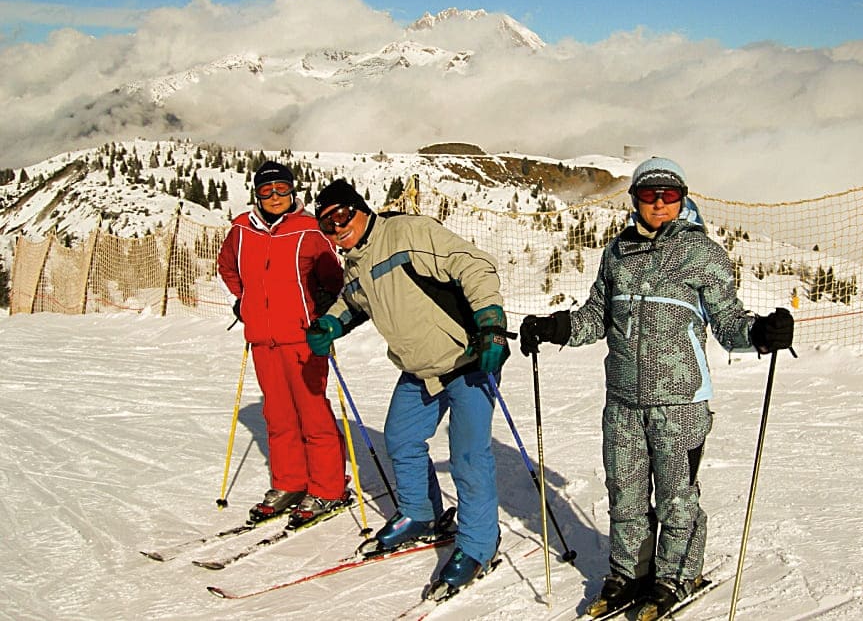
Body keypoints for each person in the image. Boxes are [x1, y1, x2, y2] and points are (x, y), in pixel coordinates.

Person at [518, 157, 793, 620]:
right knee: (624, 494)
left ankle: (676, 574)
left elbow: (728, 323)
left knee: (675, 498)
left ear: (683, 197)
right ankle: (629, 574)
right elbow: (595, 319)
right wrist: (555, 326)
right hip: (622, 402)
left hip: (680, 402)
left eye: (669, 194)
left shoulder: (703, 253)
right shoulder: (616, 253)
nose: (660, 202)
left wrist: (761, 333)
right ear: (635, 200)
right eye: (649, 194)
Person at [305, 178, 510, 594]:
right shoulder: (357, 262)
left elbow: (475, 265)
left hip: (467, 359)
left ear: (361, 209)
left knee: (468, 457)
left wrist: (491, 325)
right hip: (420, 369)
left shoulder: (406, 233)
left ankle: (478, 545)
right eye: (327, 224)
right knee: (400, 438)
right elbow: (355, 300)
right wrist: (332, 321)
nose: (338, 227)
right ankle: (420, 514)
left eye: (343, 215)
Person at [216, 161, 349, 529]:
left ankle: (328, 487)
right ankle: (290, 483)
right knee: (277, 415)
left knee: (313, 413)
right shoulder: (241, 230)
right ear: (256, 194)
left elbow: (332, 278)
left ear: (293, 192)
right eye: (267, 191)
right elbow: (227, 266)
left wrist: (320, 309)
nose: (275, 197)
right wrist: (244, 300)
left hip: (302, 337)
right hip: (261, 338)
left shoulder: (309, 230)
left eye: (282, 190)